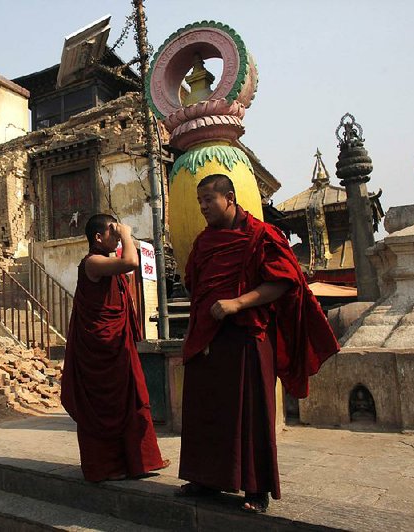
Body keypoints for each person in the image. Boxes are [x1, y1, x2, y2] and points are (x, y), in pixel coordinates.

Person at [177, 174, 339, 513]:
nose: (203, 207)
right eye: (200, 201)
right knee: (206, 407)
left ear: (230, 197)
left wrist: (238, 303)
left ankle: (256, 488)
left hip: (248, 335)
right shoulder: (204, 242)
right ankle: (205, 478)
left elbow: (283, 281)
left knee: (252, 412)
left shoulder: (261, 235)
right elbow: (195, 283)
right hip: (209, 334)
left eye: (209, 199)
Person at [61, 214, 169, 482]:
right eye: (112, 231)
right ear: (98, 238)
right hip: (101, 348)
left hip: (117, 345)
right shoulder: (93, 262)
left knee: (132, 401)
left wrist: (121, 235)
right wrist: (128, 234)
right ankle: (107, 467)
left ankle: (141, 460)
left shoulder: (105, 262)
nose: (117, 234)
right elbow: (132, 262)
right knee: (104, 407)